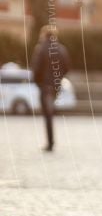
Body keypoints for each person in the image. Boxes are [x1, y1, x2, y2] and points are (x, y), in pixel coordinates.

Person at [30, 24, 71, 152]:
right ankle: (51, 142)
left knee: (48, 115)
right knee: (50, 113)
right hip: (55, 87)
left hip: (44, 86)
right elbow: (67, 67)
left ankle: (50, 143)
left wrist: (38, 83)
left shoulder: (41, 48)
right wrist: (58, 79)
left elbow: (35, 69)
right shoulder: (62, 49)